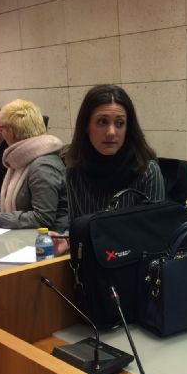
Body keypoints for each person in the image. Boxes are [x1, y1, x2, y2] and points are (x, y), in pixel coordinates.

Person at [54, 84, 164, 252]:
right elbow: (78, 227)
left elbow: (156, 236)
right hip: (93, 262)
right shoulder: (75, 171)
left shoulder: (147, 171)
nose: (111, 132)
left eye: (120, 123)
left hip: (135, 262)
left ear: (128, 128)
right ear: (86, 126)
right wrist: (68, 241)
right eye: (102, 122)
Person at [0, 99, 68, 231]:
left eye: (2, 128)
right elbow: (14, 202)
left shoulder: (43, 166)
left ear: (12, 132)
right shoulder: (22, 157)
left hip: (49, 239)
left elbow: (43, 218)